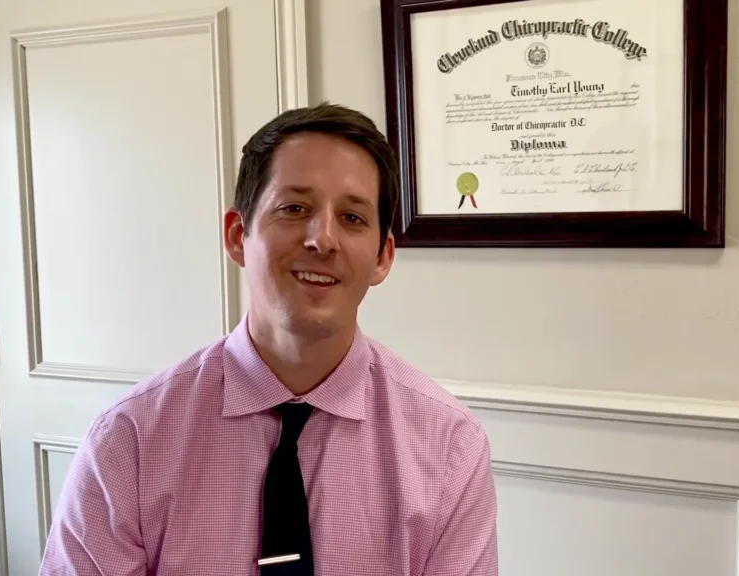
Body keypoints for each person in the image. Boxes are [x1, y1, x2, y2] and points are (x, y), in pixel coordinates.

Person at [39, 102, 499, 575]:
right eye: (294, 208)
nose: (323, 239)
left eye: (352, 217)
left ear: (382, 257)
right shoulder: (129, 441)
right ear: (237, 234)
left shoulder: (450, 447)